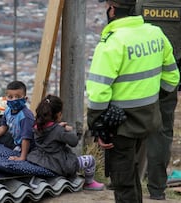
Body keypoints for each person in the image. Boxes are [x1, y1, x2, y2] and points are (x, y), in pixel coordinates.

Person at [86, 0, 180, 202]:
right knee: (133, 173)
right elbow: (173, 77)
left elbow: (97, 93)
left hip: (120, 126)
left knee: (124, 181)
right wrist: (153, 100)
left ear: (111, 10)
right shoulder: (155, 33)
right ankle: (156, 190)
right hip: (148, 119)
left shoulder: (111, 43)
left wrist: (98, 126)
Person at [134, 0, 181, 200]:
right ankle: (157, 189)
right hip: (168, 73)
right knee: (162, 133)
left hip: (134, 73)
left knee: (129, 126)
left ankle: (124, 183)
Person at [26, 95, 105, 191]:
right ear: (59, 114)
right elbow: (74, 142)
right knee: (90, 160)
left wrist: (58, 126)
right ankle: (89, 183)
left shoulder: (36, 126)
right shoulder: (59, 131)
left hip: (38, 159)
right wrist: (67, 130)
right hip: (58, 163)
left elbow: (49, 131)